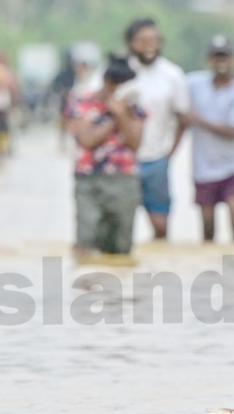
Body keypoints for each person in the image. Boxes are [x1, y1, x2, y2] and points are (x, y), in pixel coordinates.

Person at [68, 54, 145, 264]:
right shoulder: (84, 102)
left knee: (121, 245)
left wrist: (122, 114)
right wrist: (113, 116)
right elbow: (87, 140)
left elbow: (135, 143)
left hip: (124, 179)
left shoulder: (134, 107)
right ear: (107, 81)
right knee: (86, 239)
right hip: (89, 179)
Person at [186, 35, 234, 242]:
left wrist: (196, 119)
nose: (221, 62)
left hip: (233, 166)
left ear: (233, 58)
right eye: (217, 57)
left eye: (225, 56)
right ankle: (211, 263)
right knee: (208, 231)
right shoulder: (194, 84)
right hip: (203, 168)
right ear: (209, 60)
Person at [124, 18, 190, 240]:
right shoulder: (117, 71)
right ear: (131, 43)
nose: (149, 46)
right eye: (142, 41)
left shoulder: (172, 75)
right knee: (120, 226)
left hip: (156, 160)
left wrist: (169, 154)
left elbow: (183, 118)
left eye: (154, 40)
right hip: (123, 160)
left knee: (161, 227)